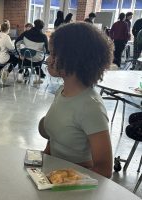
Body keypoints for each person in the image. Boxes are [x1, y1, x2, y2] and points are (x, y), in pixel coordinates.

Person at [39, 22, 113, 178]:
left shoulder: (91, 107)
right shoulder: (61, 92)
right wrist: (41, 164)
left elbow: (104, 169)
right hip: (52, 177)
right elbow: (54, 140)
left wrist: (62, 177)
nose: (48, 59)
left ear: (72, 57)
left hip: (72, 184)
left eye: (53, 54)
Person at [15, 19, 49, 84]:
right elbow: (46, 50)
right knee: (42, 57)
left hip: (26, 58)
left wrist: (19, 53)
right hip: (37, 60)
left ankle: (19, 76)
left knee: (22, 56)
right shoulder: (44, 37)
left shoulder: (26, 33)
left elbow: (17, 43)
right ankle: (37, 78)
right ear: (42, 27)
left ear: (34, 24)